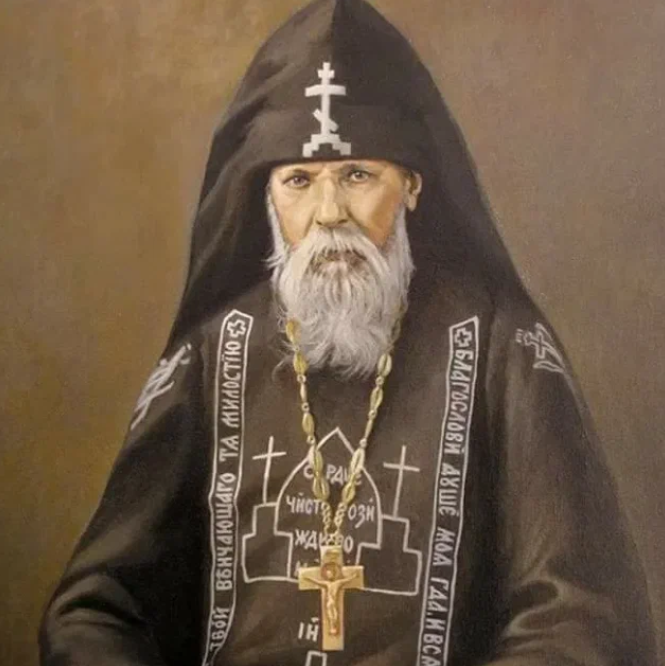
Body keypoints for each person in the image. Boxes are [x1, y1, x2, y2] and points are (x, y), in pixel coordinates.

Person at [39, 1, 657, 665]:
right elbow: (95, 607)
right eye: (299, 181)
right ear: (266, 196)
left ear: (412, 184)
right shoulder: (214, 354)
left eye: (357, 175)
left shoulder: (502, 348)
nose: (329, 213)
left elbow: (577, 614)